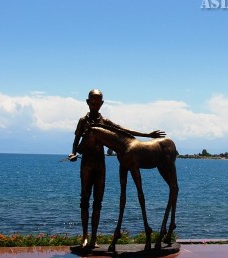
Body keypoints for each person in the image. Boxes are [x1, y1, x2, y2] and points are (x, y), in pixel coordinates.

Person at [69, 89, 165, 248]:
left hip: (100, 164)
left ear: (102, 104)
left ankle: (94, 238)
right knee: (84, 200)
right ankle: (85, 236)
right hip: (86, 164)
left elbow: (124, 131)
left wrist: (147, 135)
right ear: (87, 102)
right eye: (92, 103)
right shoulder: (82, 121)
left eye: (97, 103)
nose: (94, 106)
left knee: (98, 201)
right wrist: (72, 153)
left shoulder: (105, 122)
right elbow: (76, 141)